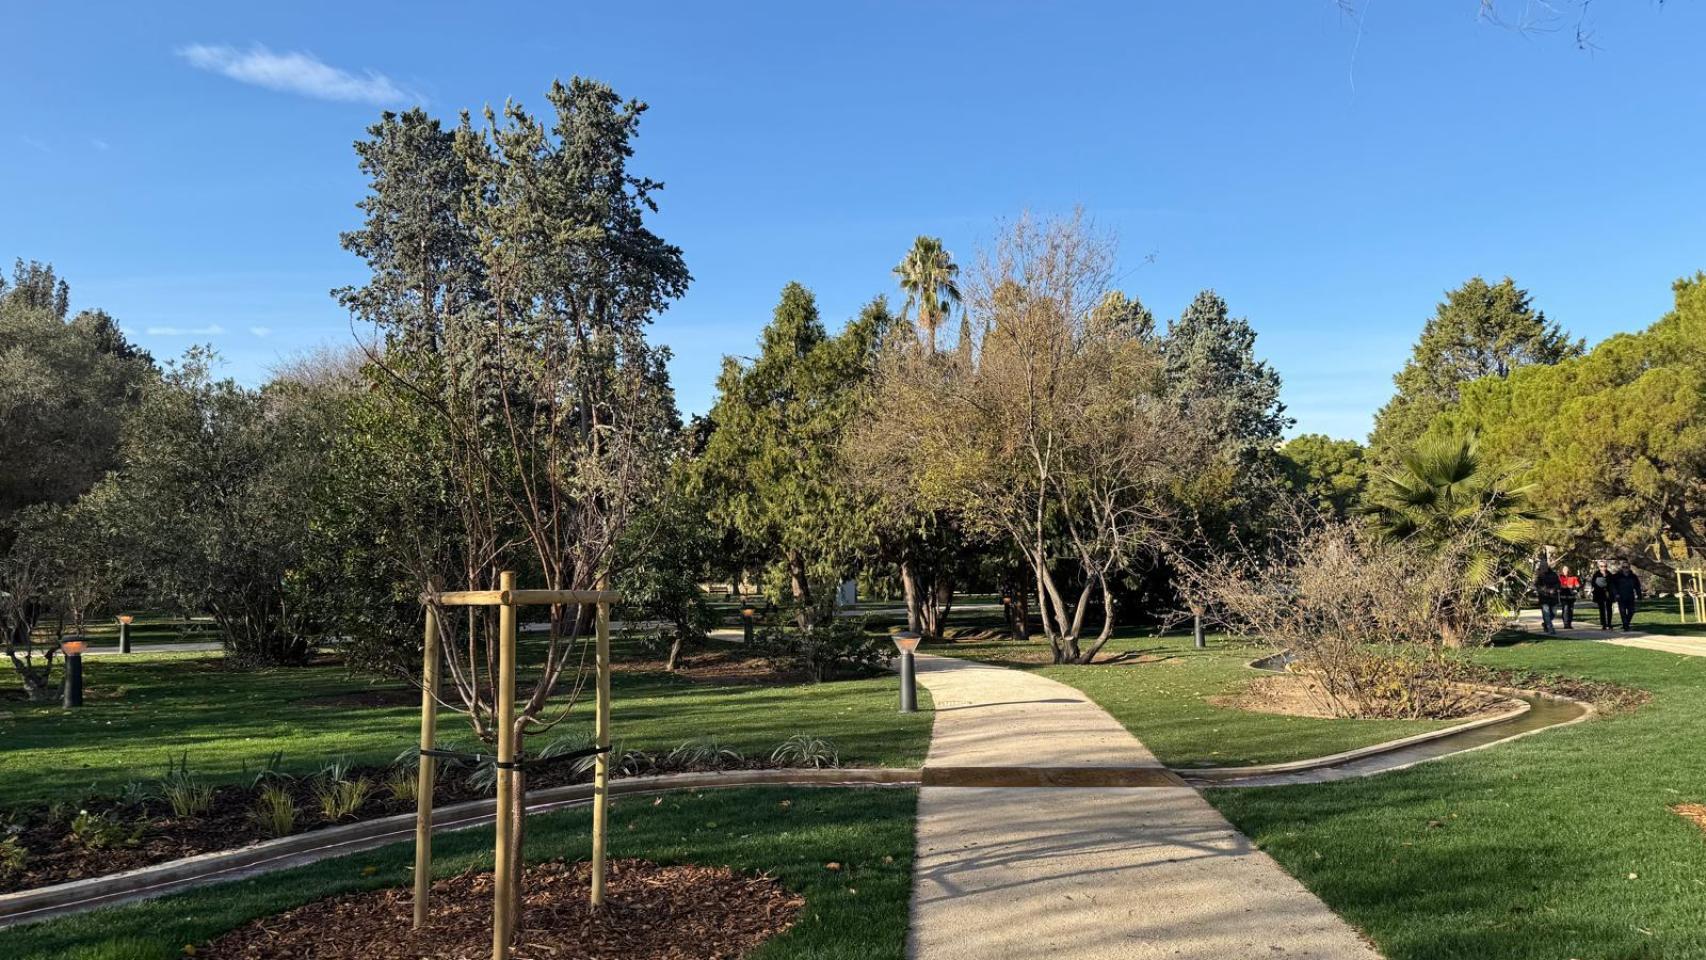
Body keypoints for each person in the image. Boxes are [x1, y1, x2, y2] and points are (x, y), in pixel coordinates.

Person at [1609, 559, 1644, 631]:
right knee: (1622, 611)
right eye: (1624, 567)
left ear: (1629, 568)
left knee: (1631, 611)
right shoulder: (1617, 576)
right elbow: (1613, 586)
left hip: (1630, 596)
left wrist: (1639, 595)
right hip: (1620, 596)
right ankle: (1625, 626)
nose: (1625, 568)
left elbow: (1637, 586)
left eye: (1627, 567)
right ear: (1621, 568)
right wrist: (1616, 594)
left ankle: (1626, 623)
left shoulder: (1633, 576)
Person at [1535, 559, 1561, 635]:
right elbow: (1537, 586)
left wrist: (1554, 589)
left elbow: (1558, 583)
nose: (1544, 567)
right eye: (1542, 566)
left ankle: (1545, 624)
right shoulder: (1538, 575)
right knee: (1546, 614)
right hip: (1544, 597)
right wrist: (1547, 590)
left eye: (1545, 566)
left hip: (1553, 597)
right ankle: (1551, 629)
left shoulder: (1553, 574)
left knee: (1553, 613)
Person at [1589, 559, 1614, 630]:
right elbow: (1593, 584)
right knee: (1602, 609)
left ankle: (1609, 623)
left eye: (1605, 566)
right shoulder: (1596, 574)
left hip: (1608, 593)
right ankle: (1603, 624)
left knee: (1609, 608)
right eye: (1601, 566)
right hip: (1599, 593)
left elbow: (1612, 584)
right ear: (1599, 567)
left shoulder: (1609, 574)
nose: (1603, 568)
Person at [1557, 564, 1581, 630]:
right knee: (1565, 609)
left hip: (1571, 597)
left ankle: (1569, 624)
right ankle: (1566, 624)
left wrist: (1575, 587)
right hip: (1564, 596)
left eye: (1567, 570)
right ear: (1562, 570)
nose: (1566, 571)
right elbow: (1560, 586)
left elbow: (1577, 585)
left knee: (1570, 610)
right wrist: (1566, 587)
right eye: (1565, 570)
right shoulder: (1560, 578)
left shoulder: (1573, 577)